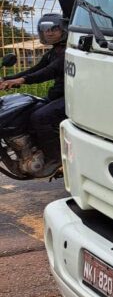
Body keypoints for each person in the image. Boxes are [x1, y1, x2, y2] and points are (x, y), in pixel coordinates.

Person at [0, 13, 67, 175]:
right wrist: (6, 79)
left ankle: (55, 159)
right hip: (57, 95)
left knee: (40, 117)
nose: (49, 33)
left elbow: (48, 72)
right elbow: (35, 69)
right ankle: (34, 151)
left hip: (71, 97)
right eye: (45, 29)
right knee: (28, 111)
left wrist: (22, 80)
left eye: (54, 29)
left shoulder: (68, 51)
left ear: (63, 29)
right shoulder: (53, 52)